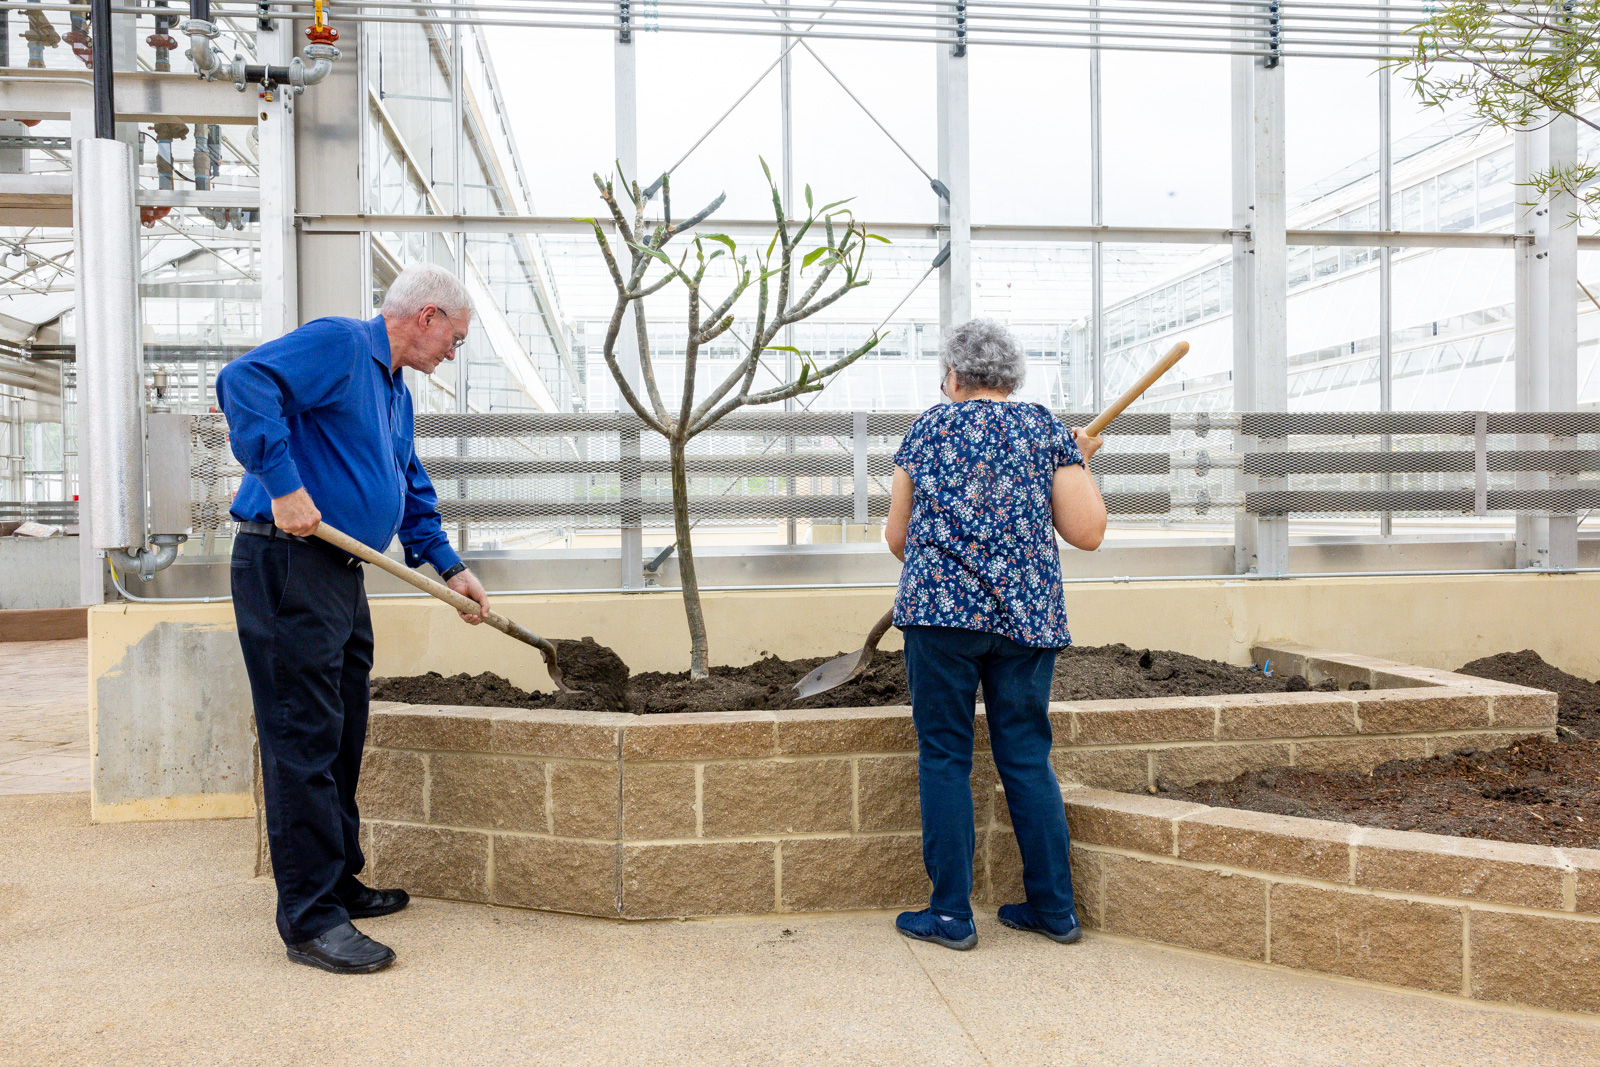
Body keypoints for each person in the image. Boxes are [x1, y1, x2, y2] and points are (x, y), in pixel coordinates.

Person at [216, 263, 492, 974]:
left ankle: (336, 882)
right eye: (455, 338)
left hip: (341, 574)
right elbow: (243, 382)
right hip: (287, 565)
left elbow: (407, 489)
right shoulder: (341, 346)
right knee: (302, 741)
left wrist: (451, 567)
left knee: (341, 735)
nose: (453, 354)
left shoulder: (394, 393)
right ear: (427, 315)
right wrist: (283, 485)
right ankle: (310, 920)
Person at [885, 318, 1107, 951]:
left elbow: (898, 539)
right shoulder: (1044, 430)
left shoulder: (926, 429)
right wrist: (1079, 463)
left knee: (946, 757)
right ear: (1013, 376)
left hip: (940, 619)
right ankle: (1054, 910)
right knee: (1026, 757)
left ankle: (951, 916)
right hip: (1026, 620)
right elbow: (1087, 532)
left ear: (953, 376)